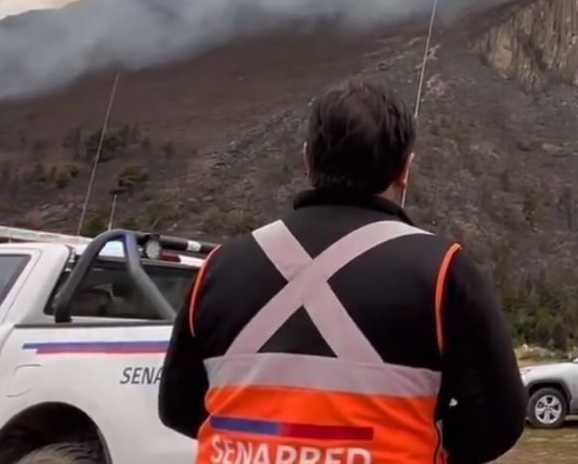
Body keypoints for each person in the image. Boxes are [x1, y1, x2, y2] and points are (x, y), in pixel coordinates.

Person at [158, 79, 526, 464]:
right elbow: (498, 419)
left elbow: (178, 406)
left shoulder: (218, 267)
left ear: (307, 161)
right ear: (404, 170)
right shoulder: (444, 272)